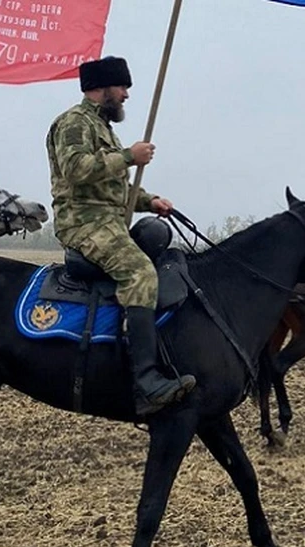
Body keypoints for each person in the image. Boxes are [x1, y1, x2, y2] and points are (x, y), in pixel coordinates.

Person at [46, 56, 195, 416]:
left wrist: (149, 200)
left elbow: (112, 187)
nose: (126, 95)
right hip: (84, 223)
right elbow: (77, 170)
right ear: (102, 88)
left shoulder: (103, 128)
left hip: (109, 219)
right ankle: (146, 383)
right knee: (140, 273)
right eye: (122, 87)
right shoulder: (73, 123)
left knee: (159, 240)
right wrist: (129, 156)